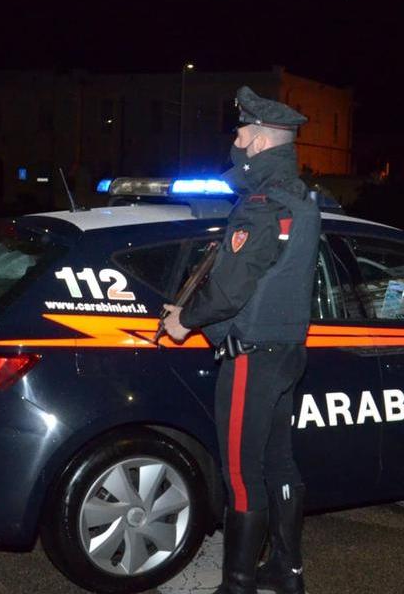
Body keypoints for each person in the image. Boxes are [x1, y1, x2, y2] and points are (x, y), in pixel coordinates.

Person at [161, 85, 320, 594]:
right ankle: (287, 573)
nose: (235, 137)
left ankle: (237, 585)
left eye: (241, 130)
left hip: (251, 357)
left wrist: (186, 321)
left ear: (256, 140)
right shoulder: (302, 201)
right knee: (280, 463)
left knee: (241, 474)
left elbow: (229, 291)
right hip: (288, 352)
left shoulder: (259, 206)